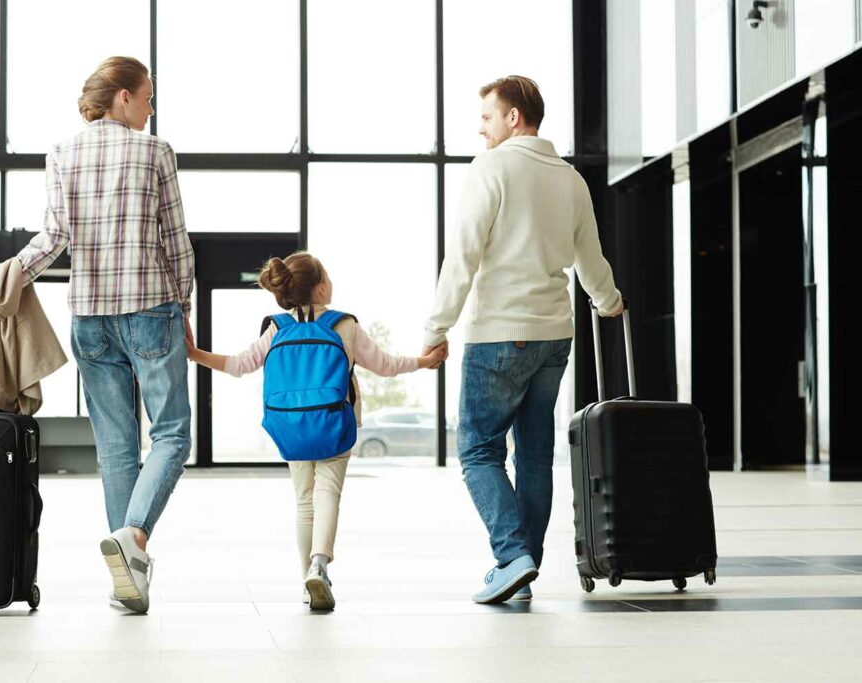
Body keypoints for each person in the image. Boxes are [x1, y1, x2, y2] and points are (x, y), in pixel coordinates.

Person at [422, 75, 623, 604]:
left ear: (514, 118)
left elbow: (463, 254)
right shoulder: (571, 179)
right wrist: (608, 302)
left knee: (477, 450)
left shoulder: (492, 167)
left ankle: (513, 557)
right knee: (534, 455)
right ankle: (522, 566)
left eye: (487, 116)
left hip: (499, 334)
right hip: (555, 335)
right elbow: (590, 261)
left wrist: (436, 327)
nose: (480, 127)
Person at [15, 56, 195, 614]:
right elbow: (175, 241)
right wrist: (183, 305)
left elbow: (53, 238)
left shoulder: (63, 153)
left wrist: (8, 277)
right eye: (147, 97)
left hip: (89, 317)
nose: (150, 107)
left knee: (116, 446)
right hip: (149, 309)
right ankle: (134, 536)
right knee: (170, 435)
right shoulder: (154, 151)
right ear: (122, 97)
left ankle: (131, 578)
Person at [187, 252, 445, 610]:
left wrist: (194, 353)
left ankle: (308, 581)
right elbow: (386, 365)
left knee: (304, 501)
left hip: (290, 426)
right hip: (335, 422)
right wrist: (423, 362)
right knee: (328, 493)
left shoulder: (276, 327)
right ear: (321, 286)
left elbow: (239, 364)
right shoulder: (344, 325)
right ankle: (319, 566)